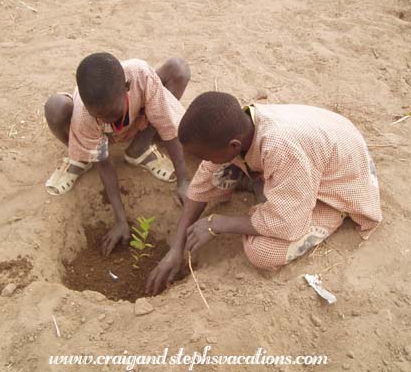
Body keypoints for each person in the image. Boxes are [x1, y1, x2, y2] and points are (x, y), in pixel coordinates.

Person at [146, 91, 382, 294]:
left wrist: (217, 223)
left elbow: (287, 224)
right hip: (324, 142)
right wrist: (176, 249)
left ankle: (333, 213)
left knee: (262, 253)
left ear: (234, 146)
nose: (204, 162)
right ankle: (260, 185)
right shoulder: (242, 126)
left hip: (344, 179)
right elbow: (201, 187)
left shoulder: (280, 149)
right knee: (218, 174)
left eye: (206, 156)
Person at [44, 52, 191, 255]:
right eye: (99, 116)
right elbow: (104, 164)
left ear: (127, 87)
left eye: (111, 114)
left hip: (135, 121)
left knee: (178, 69)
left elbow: (167, 126)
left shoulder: (141, 76)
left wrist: (183, 179)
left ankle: (139, 148)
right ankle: (81, 156)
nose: (105, 120)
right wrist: (120, 220)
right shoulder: (85, 115)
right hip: (96, 137)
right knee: (55, 107)